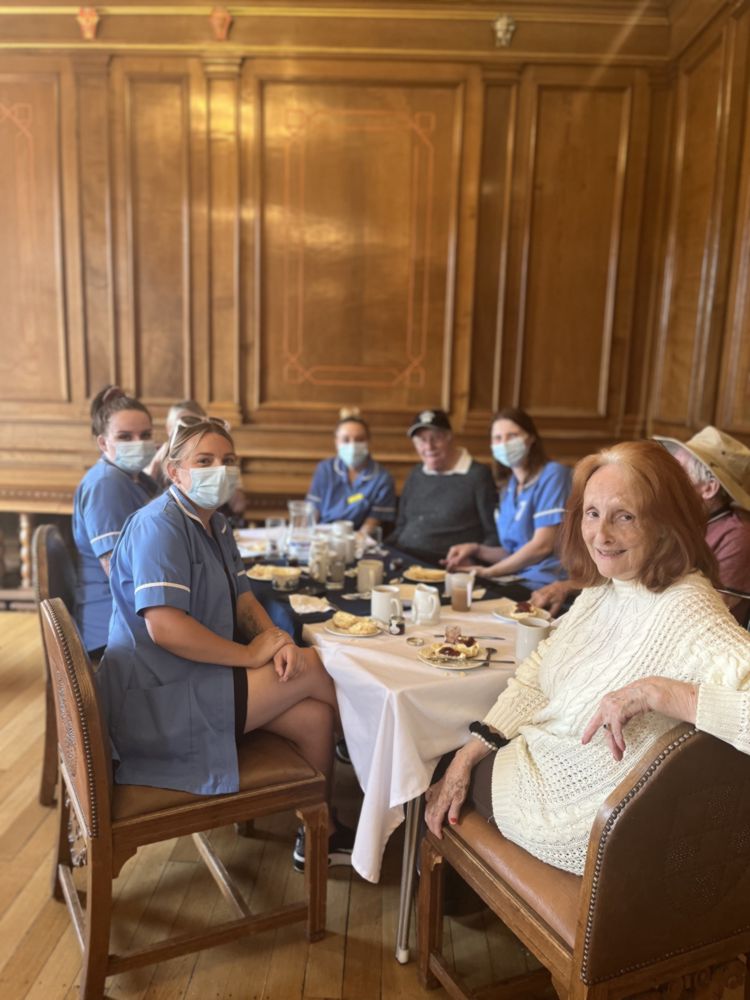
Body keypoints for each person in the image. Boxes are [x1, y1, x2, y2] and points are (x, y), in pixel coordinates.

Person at [425, 441, 750, 876]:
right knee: (453, 758)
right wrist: (472, 753)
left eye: (625, 516)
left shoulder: (689, 609)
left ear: (667, 523)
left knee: (428, 764)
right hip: (548, 768)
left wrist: (662, 693)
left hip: (577, 815)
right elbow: (536, 676)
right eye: (592, 513)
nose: (600, 535)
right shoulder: (606, 589)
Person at [95, 414, 352, 871]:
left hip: (195, 678)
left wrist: (274, 639)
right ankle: (379, 764)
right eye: (205, 460)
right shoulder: (161, 525)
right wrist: (250, 653)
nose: (220, 469)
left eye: (228, 460)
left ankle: (319, 832)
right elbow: (165, 627)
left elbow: (243, 598)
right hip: (160, 700)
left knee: (315, 717)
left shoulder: (214, 522)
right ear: (174, 471)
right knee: (315, 667)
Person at [532, 426, 750, 624]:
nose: (668, 478)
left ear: (710, 488)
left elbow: (709, 616)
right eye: (593, 513)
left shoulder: (738, 534)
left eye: (680, 473)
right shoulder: (686, 520)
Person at [444, 408, 571, 592]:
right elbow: (512, 552)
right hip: (516, 579)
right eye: (497, 438)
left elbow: (542, 546)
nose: (504, 444)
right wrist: (476, 549)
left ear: (531, 438)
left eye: (512, 436)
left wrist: (489, 572)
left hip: (546, 585)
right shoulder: (508, 486)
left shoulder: (553, 474)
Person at [72, 385, 158, 657]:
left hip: (130, 617)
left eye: (145, 435)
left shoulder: (136, 479)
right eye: (125, 436)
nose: (138, 443)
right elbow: (120, 574)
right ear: (103, 442)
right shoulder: (106, 485)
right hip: (113, 631)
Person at [387, 409, 498, 564]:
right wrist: (382, 548)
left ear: (450, 437)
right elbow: (401, 526)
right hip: (404, 557)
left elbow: (493, 534)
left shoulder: (477, 476)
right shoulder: (416, 473)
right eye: (421, 440)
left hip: (444, 565)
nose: (429, 446)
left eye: (436, 438)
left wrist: (473, 561)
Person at [148, 399, 247, 524]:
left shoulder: (218, 523)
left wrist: (224, 478)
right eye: (204, 460)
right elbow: (145, 503)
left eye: (196, 427)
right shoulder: (160, 521)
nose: (188, 433)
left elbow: (239, 506)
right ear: (168, 428)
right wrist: (155, 465)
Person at [306, 409, 396, 534]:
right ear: (337, 442)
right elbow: (313, 511)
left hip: (357, 539)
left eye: (359, 439)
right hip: (322, 535)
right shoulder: (325, 469)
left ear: (368, 442)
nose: (353, 445)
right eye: (346, 440)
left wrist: (356, 544)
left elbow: (372, 522)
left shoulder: (382, 478)